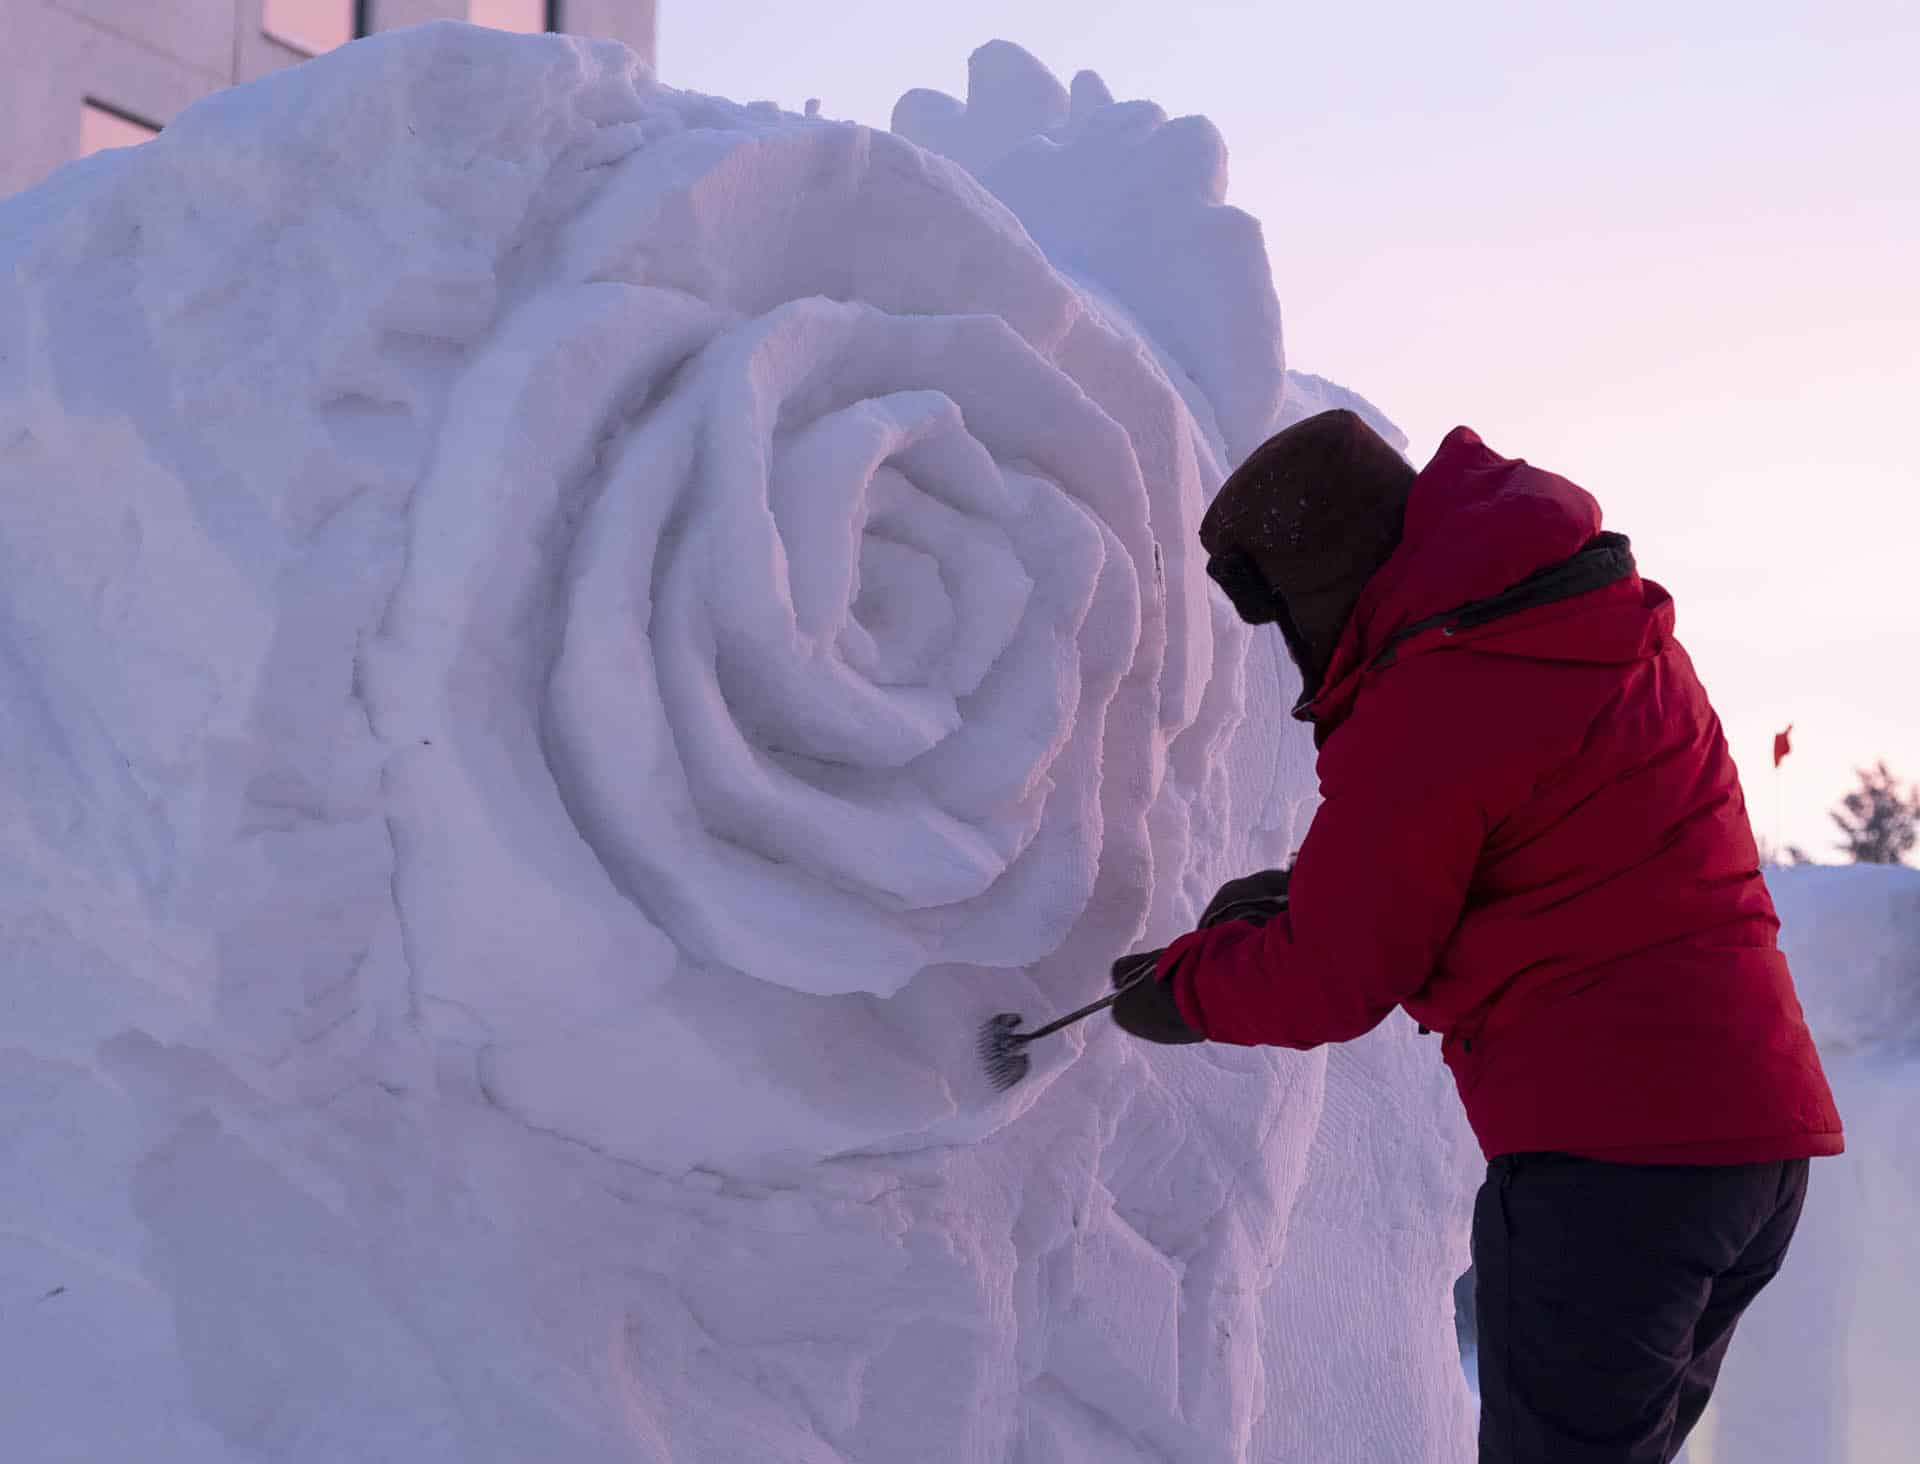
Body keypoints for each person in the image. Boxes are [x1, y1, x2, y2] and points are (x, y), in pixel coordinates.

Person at [1111, 409, 1843, 1464]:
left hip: (1615, 1169)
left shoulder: (1435, 688)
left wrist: (1178, 992)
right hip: (1751, 1153)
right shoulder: (1587, 620)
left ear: (1317, 591)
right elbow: (1554, 853)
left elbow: (1335, 980)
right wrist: (1311, 895)